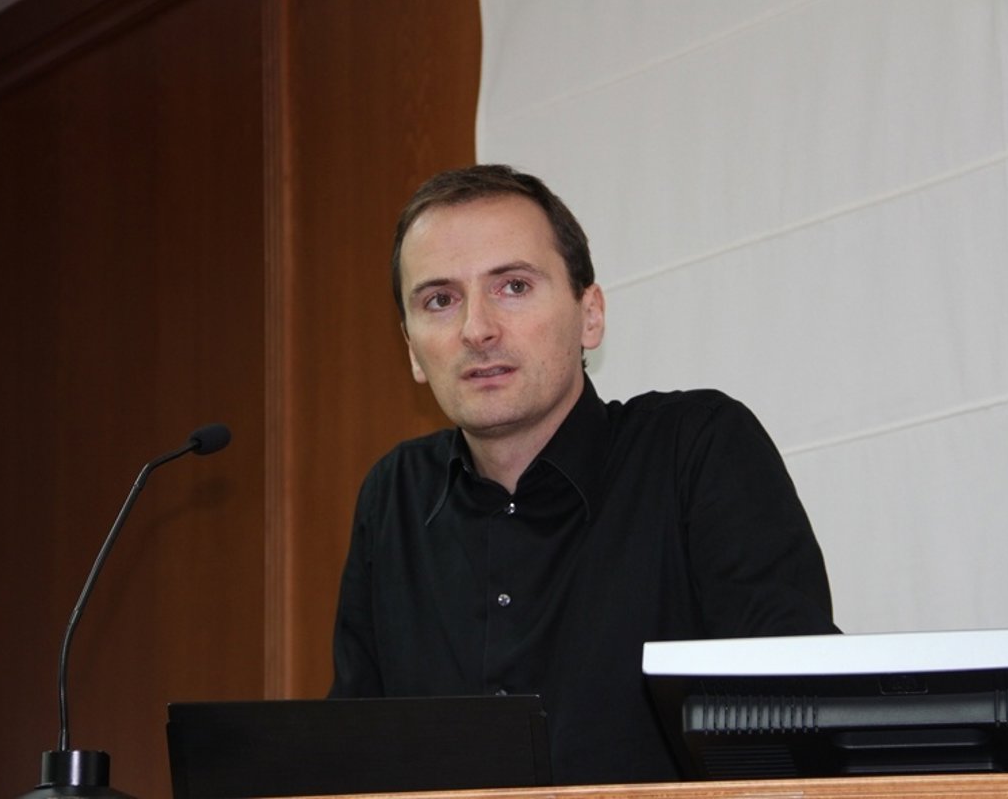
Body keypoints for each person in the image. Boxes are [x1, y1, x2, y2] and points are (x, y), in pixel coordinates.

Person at [329, 164, 838, 785]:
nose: (477, 329)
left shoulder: (697, 448)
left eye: (513, 286)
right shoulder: (393, 497)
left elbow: (798, 721)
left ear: (589, 314)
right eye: (440, 300)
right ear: (411, 348)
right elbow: (353, 757)